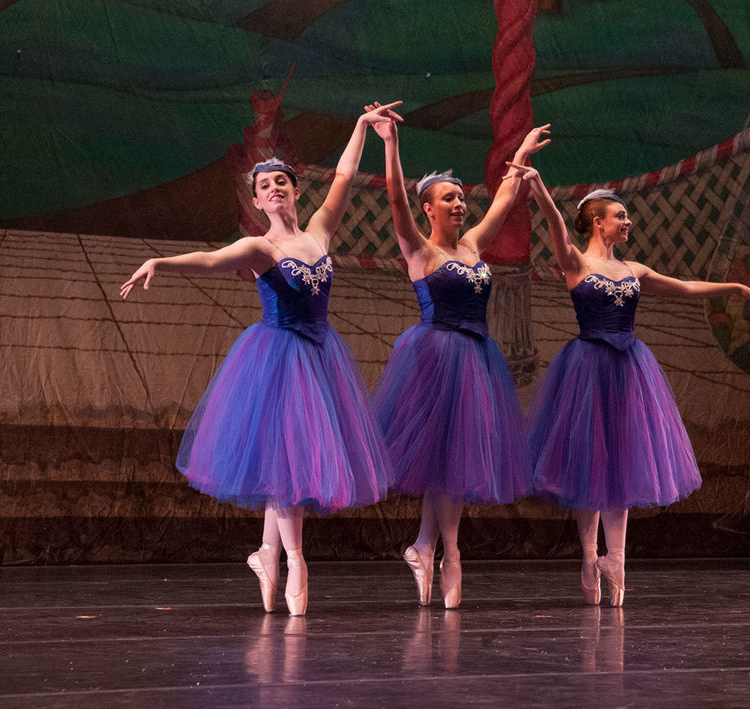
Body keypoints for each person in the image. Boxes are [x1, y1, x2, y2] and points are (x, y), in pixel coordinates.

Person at [120, 101, 403, 617]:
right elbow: (209, 260)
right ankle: (295, 559)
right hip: (278, 359)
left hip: (320, 358)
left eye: (282, 183)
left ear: (296, 191)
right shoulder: (260, 248)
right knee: (288, 465)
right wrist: (160, 260)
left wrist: (362, 125)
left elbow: (343, 174)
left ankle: (267, 552)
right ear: (256, 199)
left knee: (285, 465)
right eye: (265, 185)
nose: (274, 189)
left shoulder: (318, 233)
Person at [513, 166, 750, 607]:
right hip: (588, 368)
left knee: (625, 461)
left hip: (629, 368)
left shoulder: (634, 269)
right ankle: (591, 557)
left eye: (627, 216)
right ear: (598, 222)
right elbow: (554, 223)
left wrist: (733, 287)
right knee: (589, 464)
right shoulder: (576, 262)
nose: (627, 222)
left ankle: (618, 561)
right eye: (620, 215)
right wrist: (538, 188)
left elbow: (685, 287)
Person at [368, 109, 551, 608]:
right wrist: (389, 142)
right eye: (449, 198)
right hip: (434, 358)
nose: (460, 205)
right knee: (445, 459)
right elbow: (394, 198)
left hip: (476, 359)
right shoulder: (419, 251)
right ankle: (448, 550)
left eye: (462, 198)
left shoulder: (472, 246)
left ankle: (429, 547)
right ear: (428, 209)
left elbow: (507, 200)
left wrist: (521, 155)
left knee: (455, 462)